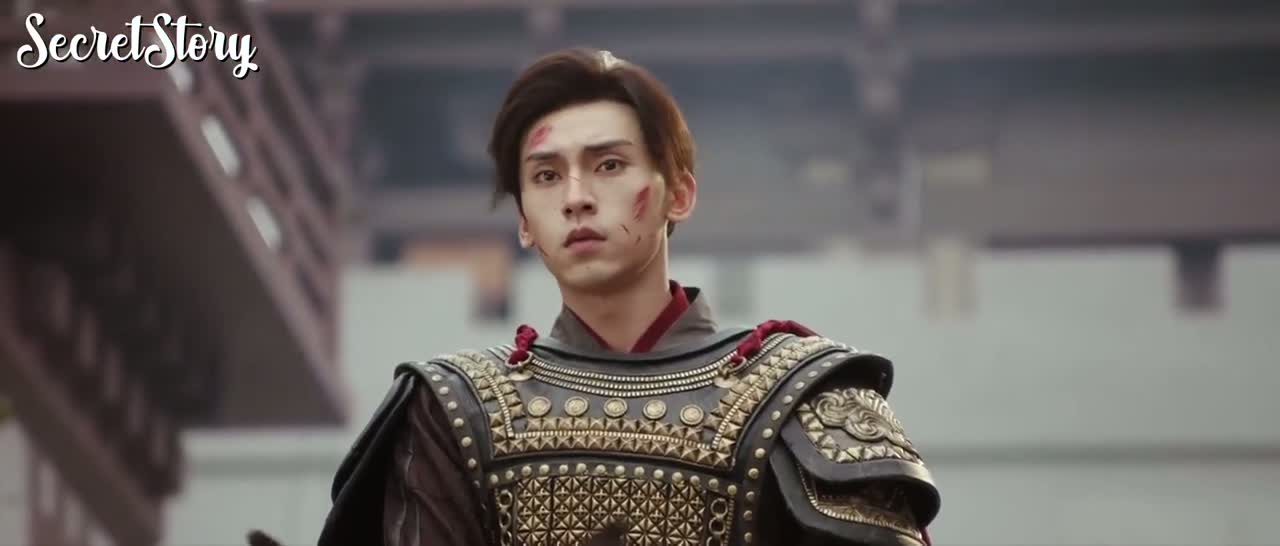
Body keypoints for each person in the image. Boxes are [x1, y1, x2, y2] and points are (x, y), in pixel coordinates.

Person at [316, 47, 940, 546]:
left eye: (609, 165)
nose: (576, 197)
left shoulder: (800, 395)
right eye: (546, 176)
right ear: (525, 222)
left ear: (679, 194)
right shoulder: (452, 411)